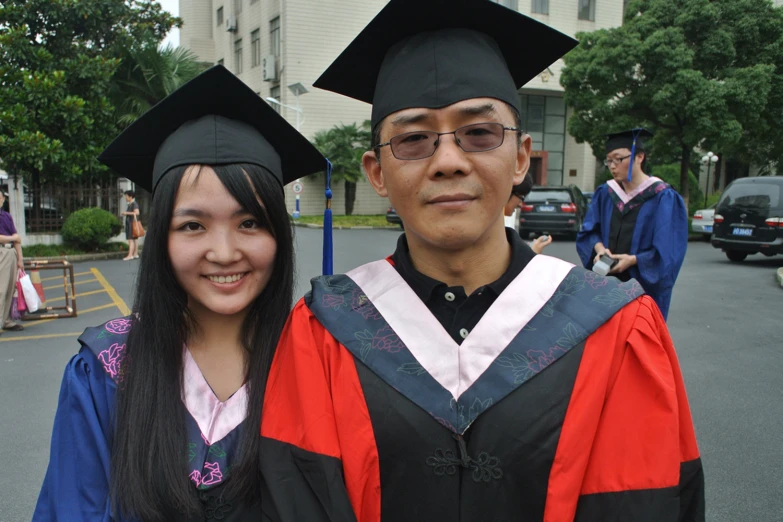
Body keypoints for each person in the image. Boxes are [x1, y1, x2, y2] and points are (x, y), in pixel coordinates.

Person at [258, 1, 704, 521]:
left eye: (480, 133)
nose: (448, 161)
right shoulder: (323, 331)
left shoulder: (617, 325)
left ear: (519, 158)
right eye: (413, 139)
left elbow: (643, 500)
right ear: (377, 172)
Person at [32, 65, 327, 521]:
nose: (225, 252)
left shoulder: (315, 363)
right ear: (161, 239)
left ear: (279, 237)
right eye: (192, 225)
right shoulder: (107, 370)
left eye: (250, 222)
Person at [576, 128, 688, 320]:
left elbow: (668, 254)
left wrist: (634, 260)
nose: (612, 166)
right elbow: (589, 232)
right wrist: (600, 250)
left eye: (618, 159)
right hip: (606, 288)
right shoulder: (605, 193)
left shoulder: (663, 197)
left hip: (642, 291)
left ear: (639, 157)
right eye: (608, 160)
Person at [504, 174, 553, 254]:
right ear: (508, 192)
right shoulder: (491, 227)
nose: (520, 204)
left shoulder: (501, 221)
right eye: (521, 197)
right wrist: (531, 253)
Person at [0, 191, 24, 331]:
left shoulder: (6, 216)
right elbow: (15, 237)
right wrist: (13, 238)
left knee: (10, 288)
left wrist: (20, 258)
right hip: (1, 252)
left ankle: (7, 320)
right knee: (1, 289)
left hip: (10, 253)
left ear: (3, 199)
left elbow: (18, 239)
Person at [120, 190, 140, 261]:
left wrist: (126, 213)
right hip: (131, 223)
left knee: (130, 240)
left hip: (131, 224)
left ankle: (130, 255)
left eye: (126, 196)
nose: (125, 198)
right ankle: (135, 254)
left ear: (130, 197)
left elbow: (137, 213)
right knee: (134, 240)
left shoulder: (134, 204)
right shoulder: (131, 204)